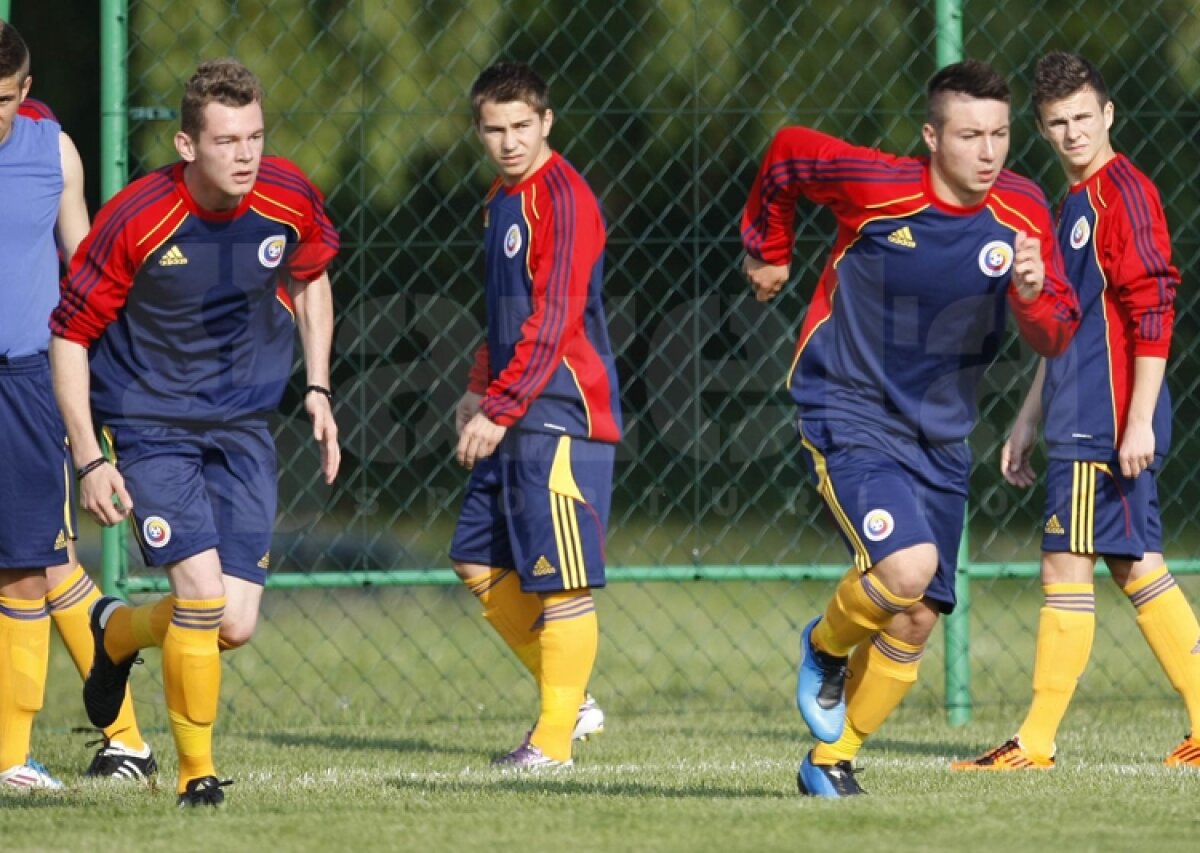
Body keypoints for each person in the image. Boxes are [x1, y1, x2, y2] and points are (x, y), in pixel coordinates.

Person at [741, 59, 1081, 798]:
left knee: (918, 617)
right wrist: (769, 249)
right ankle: (825, 647)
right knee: (905, 567)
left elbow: (1056, 333)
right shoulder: (877, 186)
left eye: (998, 135)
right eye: (968, 135)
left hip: (942, 435)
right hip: (849, 404)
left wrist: (1028, 291)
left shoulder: (1024, 210)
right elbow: (789, 152)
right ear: (932, 137)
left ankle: (830, 761)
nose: (987, 152)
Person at [48, 58, 341, 806]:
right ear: (187, 146)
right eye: (226, 141)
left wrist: (317, 386)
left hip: (242, 422)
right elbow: (71, 334)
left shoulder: (286, 193)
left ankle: (114, 633)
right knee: (203, 597)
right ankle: (195, 776)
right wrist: (89, 459)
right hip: (149, 424)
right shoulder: (138, 217)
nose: (245, 155)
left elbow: (309, 273)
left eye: (255, 137)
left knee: (234, 623)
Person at [952, 52, 1200, 772]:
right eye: (1057, 123)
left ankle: (1034, 740)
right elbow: (1065, 322)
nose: (1072, 133)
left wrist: (1140, 418)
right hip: (1078, 406)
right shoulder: (1070, 206)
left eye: (1083, 118)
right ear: (1042, 125)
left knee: (1066, 564)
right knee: (1135, 563)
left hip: (1108, 412)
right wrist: (1029, 413)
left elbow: (1155, 306)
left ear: (1109, 114)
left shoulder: (1126, 193)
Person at [450, 61, 621, 770]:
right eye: (495, 129)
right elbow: (506, 315)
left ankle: (552, 740)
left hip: (562, 411)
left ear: (547, 122)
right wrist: (478, 386)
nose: (510, 140)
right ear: (479, 130)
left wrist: (504, 405)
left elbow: (554, 316)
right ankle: (571, 697)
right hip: (514, 402)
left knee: (562, 580)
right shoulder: (500, 199)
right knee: (475, 558)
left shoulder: (565, 197)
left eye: (523, 126)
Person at [0, 19, 153, 791]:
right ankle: (124, 736)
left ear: (25, 92)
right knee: (47, 566)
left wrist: (113, 391)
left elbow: (89, 274)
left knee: (33, 566)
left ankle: (15, 757)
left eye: (1, 100)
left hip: (24, 383)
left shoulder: (51, 152)